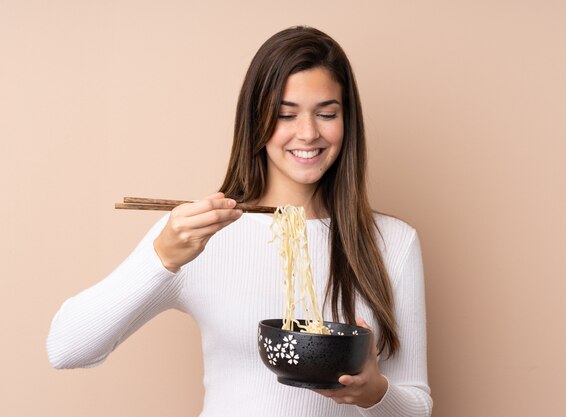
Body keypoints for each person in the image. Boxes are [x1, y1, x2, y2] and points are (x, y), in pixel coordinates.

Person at [47, 26, 432, 417]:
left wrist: (374, 393)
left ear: (347, 121)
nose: (308, 133)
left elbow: (417, 406)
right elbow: (65, 348)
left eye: (327, 113)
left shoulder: (392, 242)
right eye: (286, 114)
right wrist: (159, 257)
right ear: (257, 120)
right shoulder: (201, 234)